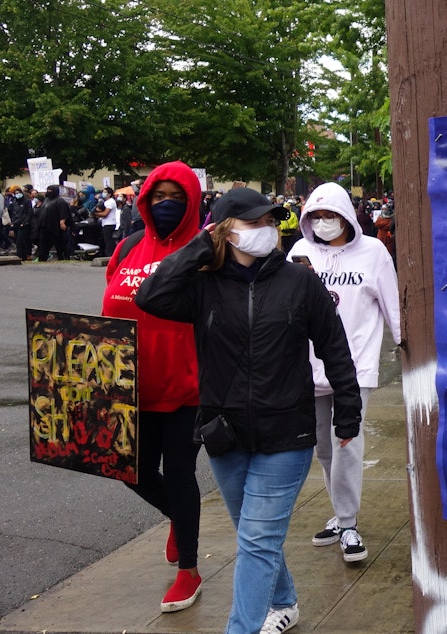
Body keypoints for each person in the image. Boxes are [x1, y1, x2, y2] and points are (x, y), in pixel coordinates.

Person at [135, 186, 362, 634]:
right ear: (226, 232)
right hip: (226, 435)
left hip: (288, 435)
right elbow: (150, 297)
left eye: (269, 222)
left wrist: (347, 410)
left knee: (258, 541)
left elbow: (334, 347)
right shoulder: (202, 285)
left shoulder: (300, 281)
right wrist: (202, 246)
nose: (265, 230)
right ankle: (284, 601)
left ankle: (241, 627)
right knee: (255, 535)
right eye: (253, 223)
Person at [101, 161, 205, 613]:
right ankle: (178, 520)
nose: (166, 204)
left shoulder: (205, 251)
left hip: (187, 388)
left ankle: (189, 570)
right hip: (130, 387)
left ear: (192, 202)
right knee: (128, 469)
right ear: (144, 200)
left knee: (180, 474)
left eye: (176, 197)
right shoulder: (126, 246)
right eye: (158, 195)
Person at [287, 182, 401, 566]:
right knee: (322, 446)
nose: (323, 223)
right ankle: (340, 513)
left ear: (346, 216)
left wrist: (402, 342)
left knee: (346, 443)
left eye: (330, 216)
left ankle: (349, 523)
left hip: (355, 366)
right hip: (308, 365)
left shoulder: (373, 253)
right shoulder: (300, 253)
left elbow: (391, 302)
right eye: (316, 216)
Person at [36, 185, 71, 261]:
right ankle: (42, 258)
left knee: (59, 244)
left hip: (54, 226)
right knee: (43, 244)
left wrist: (62, 222)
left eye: (50, 191)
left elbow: (63, 213)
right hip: (44, 226)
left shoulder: (60, 201)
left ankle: (63, 258)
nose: (48, 192)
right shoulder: (46, 200)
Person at [7, 184, 34, 260]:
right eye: (15, 193)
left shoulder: (27, 202)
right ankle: (22, 255)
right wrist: (12, 222)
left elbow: (29, 213)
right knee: (17, 240)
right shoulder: (14, 202)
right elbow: (12, 212)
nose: (17, 195)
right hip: (16, 224)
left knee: (21, 241)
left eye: (18, 193)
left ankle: (21, 256)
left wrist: (25, 222)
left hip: (24, 224)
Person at [98, 186, 119, 256]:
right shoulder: (105, 202)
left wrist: (95, 214)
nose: (103, 194)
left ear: (109, 194)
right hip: (106, 224)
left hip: (109, 224)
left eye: (105, 192)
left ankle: (110, 255)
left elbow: (105, 213)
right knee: (107, 241)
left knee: (109, 241)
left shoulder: (110, 202)